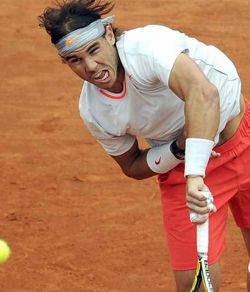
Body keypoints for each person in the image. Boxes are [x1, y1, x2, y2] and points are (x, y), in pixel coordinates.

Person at [38, 0, 250, 291]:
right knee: (194, 286)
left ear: (109, 35)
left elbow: (204, 94)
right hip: (183, 172)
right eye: (75, 60)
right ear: (66, 62)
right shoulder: (94, 110)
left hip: (242, 142)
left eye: (94, 49)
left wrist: (195, 173)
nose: (90, 66)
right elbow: (133, 165)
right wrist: (178, 149)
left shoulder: (147, 46)